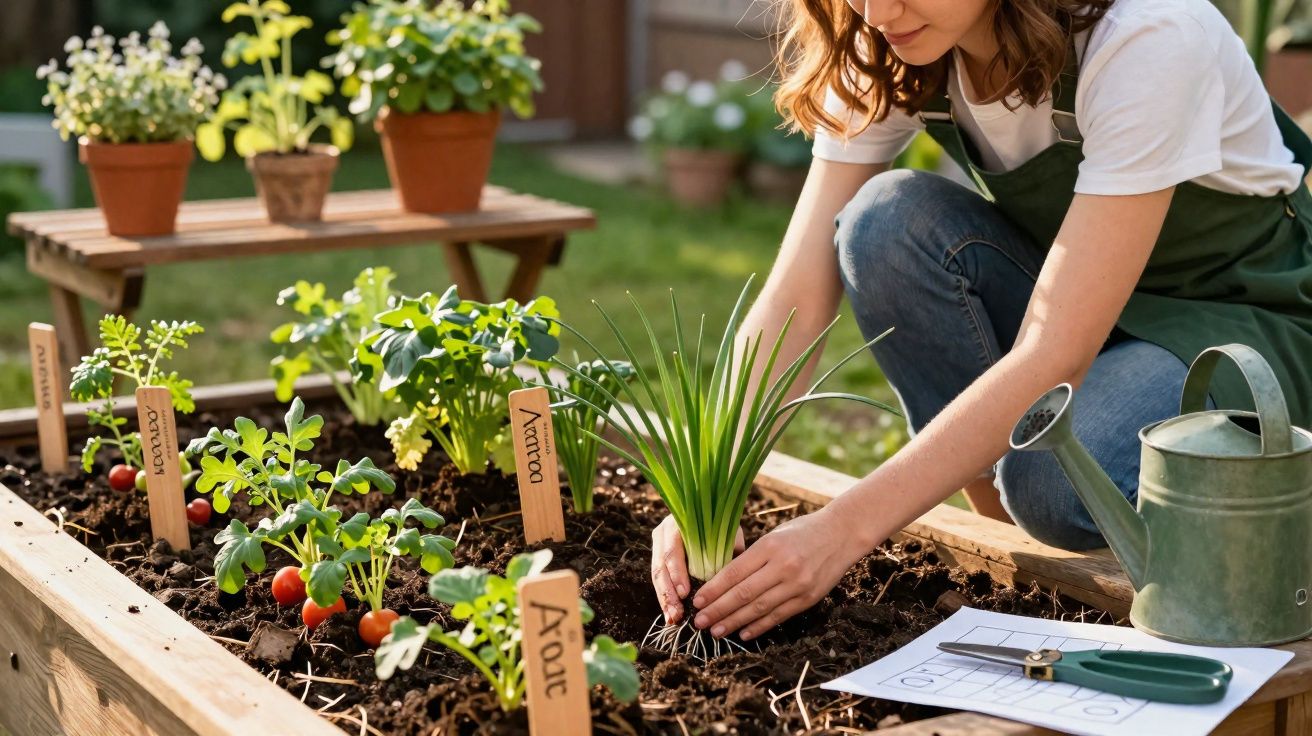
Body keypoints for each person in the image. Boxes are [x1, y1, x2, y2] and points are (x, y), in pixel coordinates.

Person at [650, 0, 1312, 643]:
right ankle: (1007, 560)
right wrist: (715, 479)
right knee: (884, 224)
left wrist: (842, 531)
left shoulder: (1148, 34)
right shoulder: (892, 38)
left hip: (1240, 326)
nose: (876, 12)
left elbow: (1056, 351)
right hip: (1083, 300)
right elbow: (796, 293)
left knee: (1050, 479)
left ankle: (1281, 497)